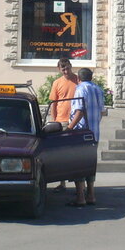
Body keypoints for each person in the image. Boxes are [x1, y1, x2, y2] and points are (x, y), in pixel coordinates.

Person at [65, 67, 104, 207]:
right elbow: (102, 111)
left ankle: (80, 197)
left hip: (81, 133)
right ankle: (91, 195)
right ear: (91, 77)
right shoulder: (98, 89)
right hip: (94, 132)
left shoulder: (80, 89)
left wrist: (69, 128)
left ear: (78, 78)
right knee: (90, 163)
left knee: (79, 164)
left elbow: (79, 111)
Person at [47, 57, 80, 191]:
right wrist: (54, 121)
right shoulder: (57, 83)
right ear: (59, 69)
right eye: (63, 69)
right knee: (61, 153)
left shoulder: (78, 80)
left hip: (76, 121)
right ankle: (62, 183)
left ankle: (80, 186)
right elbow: (53, 104)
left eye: (67, 68)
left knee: (76, 153)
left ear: (71, 66)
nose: (66, 71)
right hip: (61, 121)